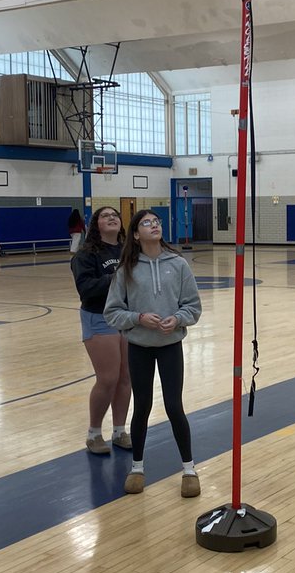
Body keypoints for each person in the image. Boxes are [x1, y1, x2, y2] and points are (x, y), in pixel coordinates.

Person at [104, 209, 202, 497]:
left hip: (171, 346)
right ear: (136, 234)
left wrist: (178, 318)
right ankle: (137, 467)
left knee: (174, 406)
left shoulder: (179, 264)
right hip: (139, 348)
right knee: (142, 407)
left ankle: (189, 468)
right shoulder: (126, 269)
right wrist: (138, 318)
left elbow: (193, 306)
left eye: (156, 222)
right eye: (146, 223)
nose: (153, 225)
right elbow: (113, 312)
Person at [71, 206, 132, 454]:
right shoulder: (85, 255)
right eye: (105, 216)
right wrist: (117, 277)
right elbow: (86, 289)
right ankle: (94, 433)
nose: (111, 218)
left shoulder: (129, 251)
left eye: (115, 215)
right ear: (96, 224)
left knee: (126, 377)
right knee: (107, 378)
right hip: (99, 316)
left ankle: (119, 430)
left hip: (128, 318)